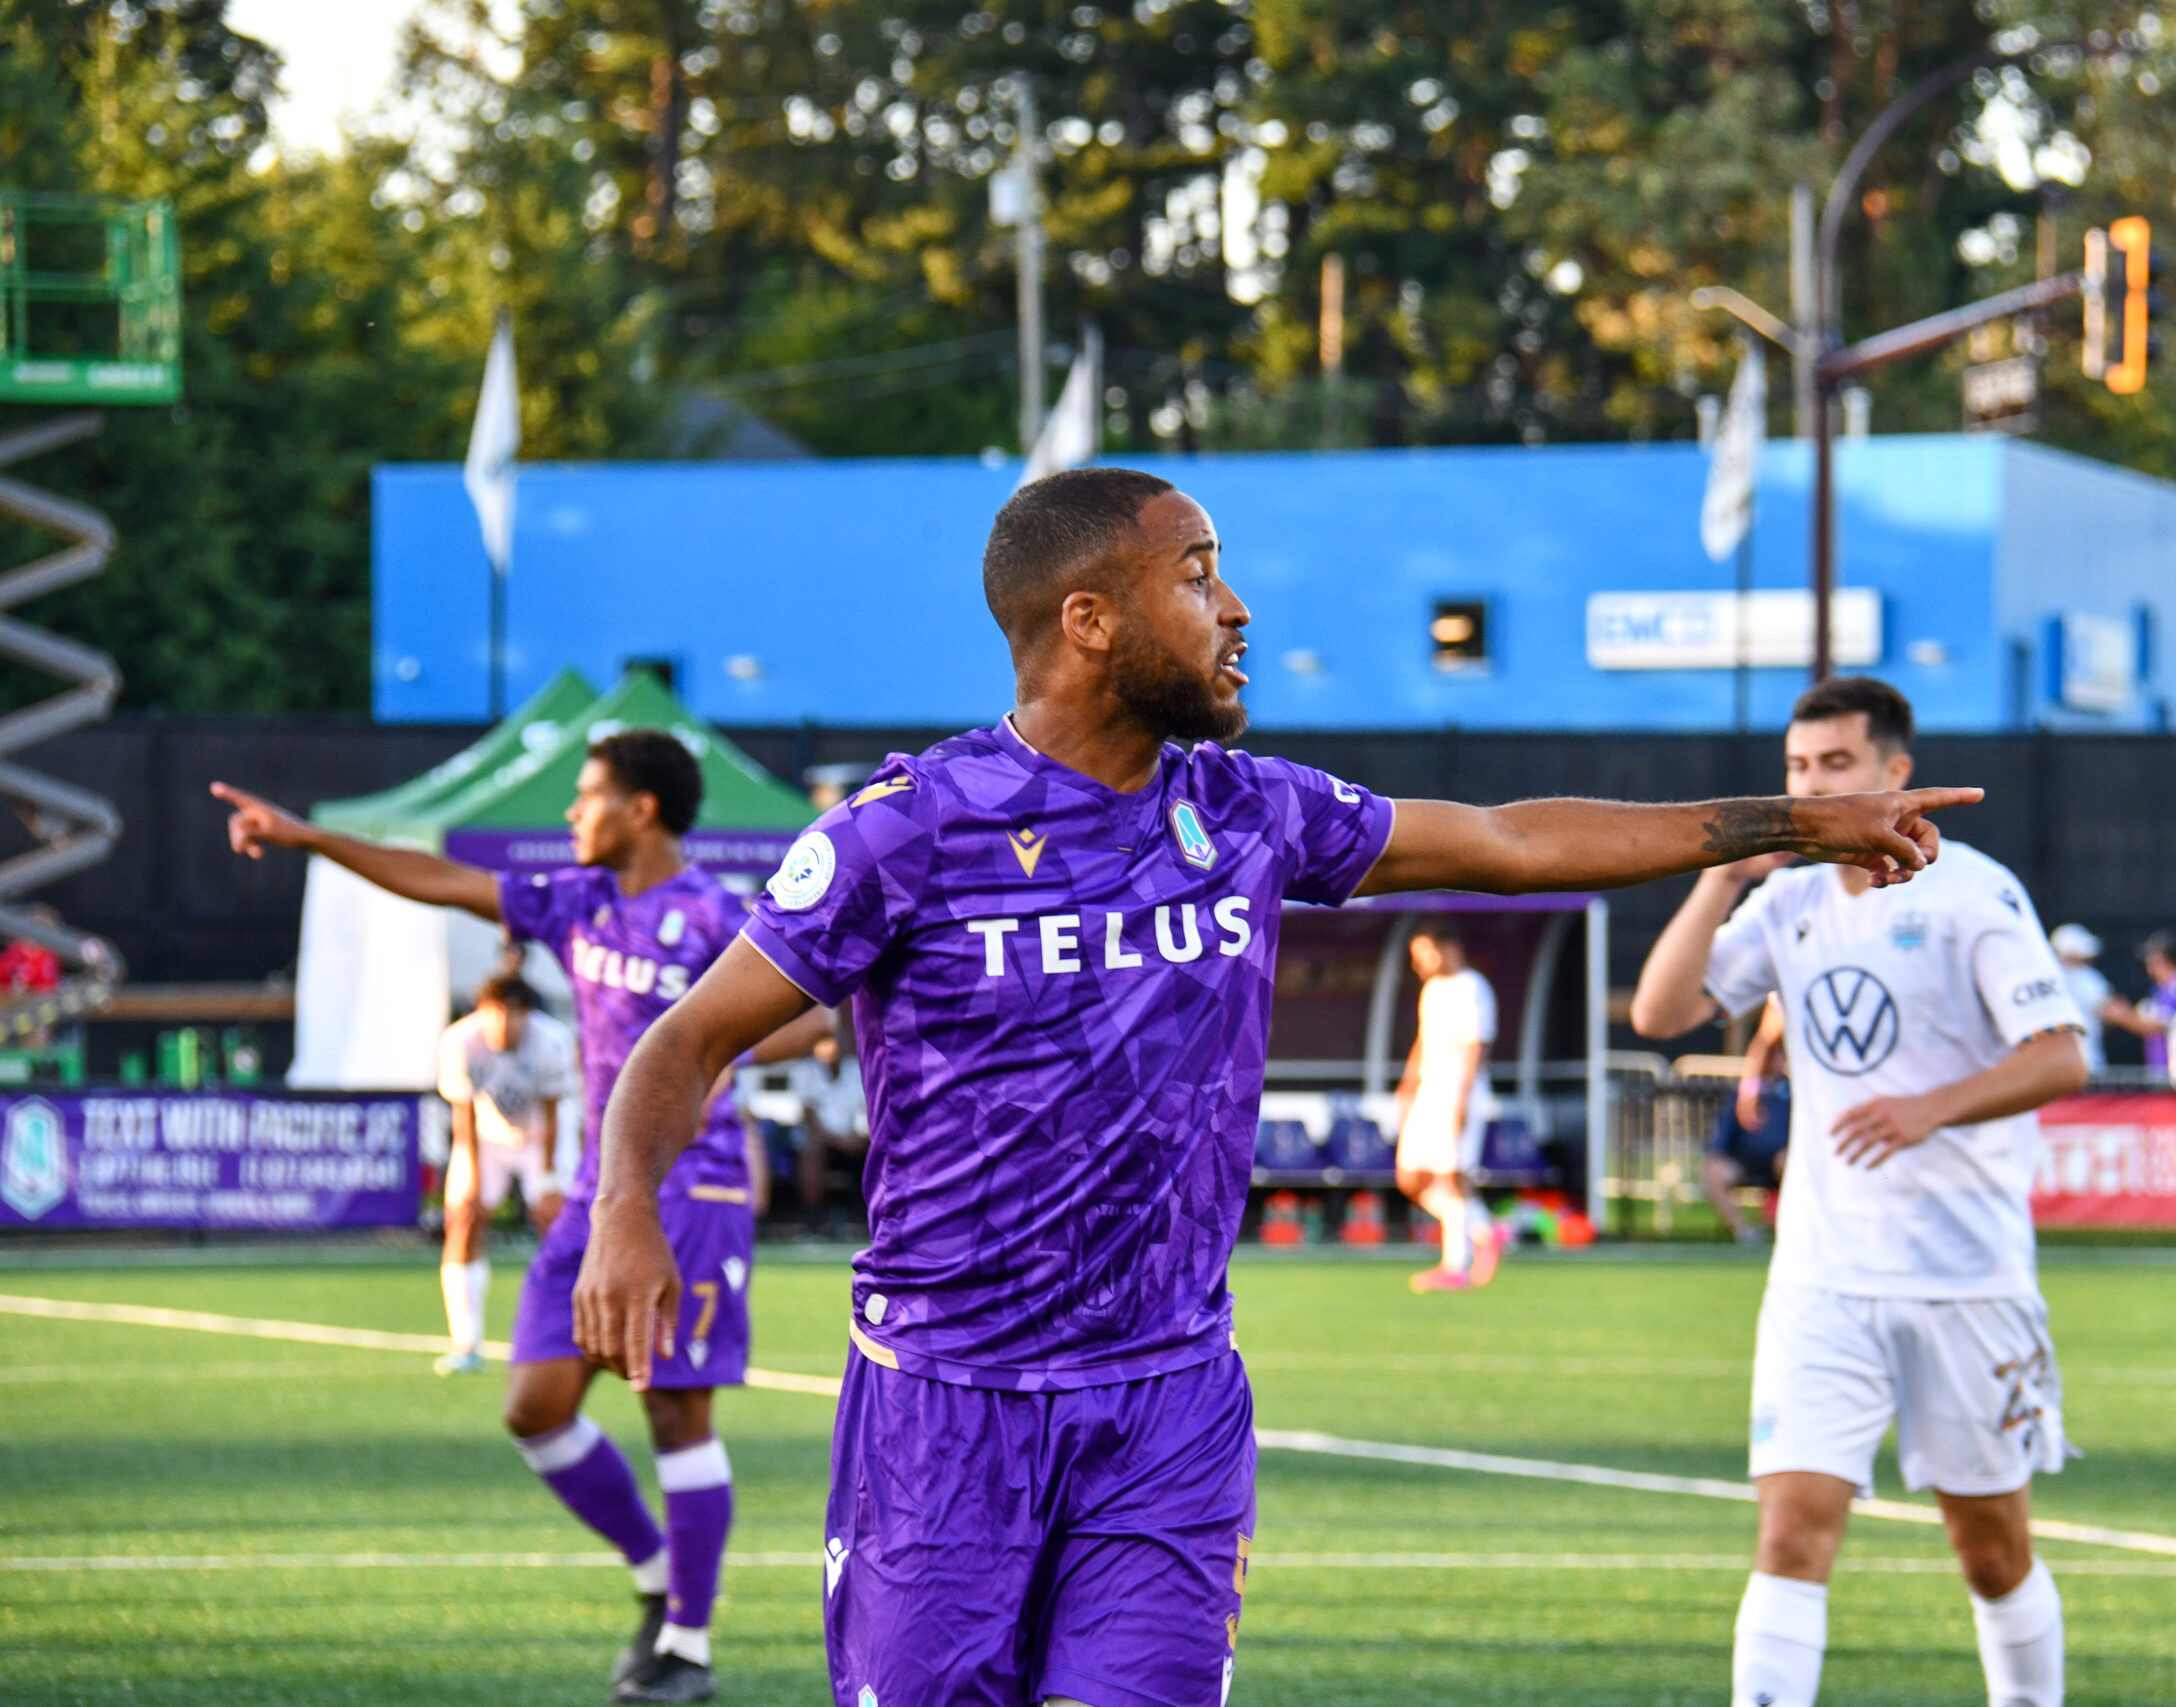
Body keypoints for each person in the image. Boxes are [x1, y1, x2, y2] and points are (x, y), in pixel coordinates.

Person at [569, 468, 1974, 1707]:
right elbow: (682, 1042)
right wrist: (626, 1202)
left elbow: (1508, 839)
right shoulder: (905, 832)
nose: (1234, 608)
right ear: (1089, 620)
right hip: (946, 1406)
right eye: (1196, 575)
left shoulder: (1244, 808)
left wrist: (1790, 821)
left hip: (1168, 1400)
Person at [213, 732, 820, 1704]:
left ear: (643, 810)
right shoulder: (576, 901)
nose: (571, 815)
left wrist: (715, 1063)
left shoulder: (712, 915)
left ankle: (690, 1650)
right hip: (597, 1190)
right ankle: (659, 1574)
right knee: (534, 1408)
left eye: (586, 797)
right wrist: (306, 840)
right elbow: (439, 879)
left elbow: (814, 1013)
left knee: (673, 1409)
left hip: (692, 1188)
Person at [1630, 674, 2087, 1707]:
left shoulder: (1973, 891)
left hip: (1965, 1280)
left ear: (1895, 775)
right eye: (1797, 768)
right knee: (1790, 1532)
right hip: (1823, 1278)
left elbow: (2059, 1056)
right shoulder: (1784, 899)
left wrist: (1929, 1107)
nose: (1812, 785)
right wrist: (1716, 876)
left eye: (1835, 765)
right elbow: (1661, 1014)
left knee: (1989, 1549)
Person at [435, 972, 579, 1375]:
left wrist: (549, 1182)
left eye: (513, 1015)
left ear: (527, 1016)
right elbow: (462, 1116)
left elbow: (553, 1117)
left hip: (542, 1138)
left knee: (557, 1224)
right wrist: (473, 1183)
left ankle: (568, 1333)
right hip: (488, 1137)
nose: (502, 1024)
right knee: (463, 1220)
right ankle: (466, 1342)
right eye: (494, 1014)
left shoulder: (552, 1041)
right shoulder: (459, 1042)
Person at [1394, 923, 1502, 1291]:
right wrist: (1408, 1084)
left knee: (1453, 1176)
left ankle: (1455, 1265)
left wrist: (1463, 1100)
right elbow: (1423, 1040)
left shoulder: (1473, 988)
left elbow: (1477, 1048)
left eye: (1424, 953)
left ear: (1449, 948)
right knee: (1410, 1176)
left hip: (1458, 1094)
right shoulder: (1432, 989)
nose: (1418, 963)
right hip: (1428, 1093)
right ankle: (1486, 1231)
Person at [1702, 997, 1789, 1245]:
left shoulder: (1794, 1091)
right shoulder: (1744, 1092)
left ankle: (1789, 1231)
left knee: (1789, 1162)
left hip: (1778, 1160)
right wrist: (1717, 1151)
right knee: (1712, 1169)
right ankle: (1745, 1232)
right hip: (1746, 1159)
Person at [790, 1026, 869, 1235]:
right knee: (811, 1152)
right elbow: (809, 1117)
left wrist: (860, 1136)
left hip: (853, 1140)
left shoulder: (855, 1070)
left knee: (881, 1149)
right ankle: (813, 1218)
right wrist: (837, 1140)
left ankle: (872, 1214)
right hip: (822, 1141)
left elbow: (866, 1111)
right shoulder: (806, 1070)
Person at [2100, 932, 2176, 1074]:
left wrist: (2122, 1015)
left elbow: (2156, 1025)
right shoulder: (2161, 988)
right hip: (2160, 1066)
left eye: (2153, 961)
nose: (2148, 966)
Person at [2047, 924, 2111, 1076]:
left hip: (2052, 1070)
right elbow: (2112, 1013)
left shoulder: (2043, 981)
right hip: (2086, 1067)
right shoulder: (2087, 978)